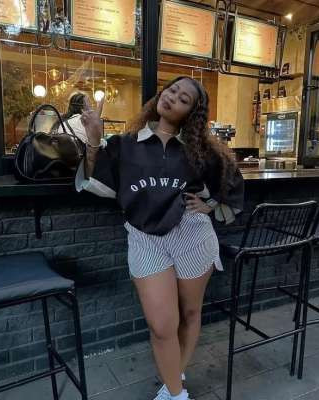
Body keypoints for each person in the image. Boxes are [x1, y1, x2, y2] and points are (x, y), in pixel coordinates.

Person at [76, 76, 244, 400]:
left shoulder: (201, 151)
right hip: (145, 239)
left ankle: (173, 384)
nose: (173, 98)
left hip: (192, 235)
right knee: (162, 325)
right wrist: (94, 138)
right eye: (172, 91)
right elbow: (97, 180)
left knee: (190, 313)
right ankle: (178, 393)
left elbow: (232, 181)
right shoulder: (126, 143)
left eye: (183, 99)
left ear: (191, 113)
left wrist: (210, 205)